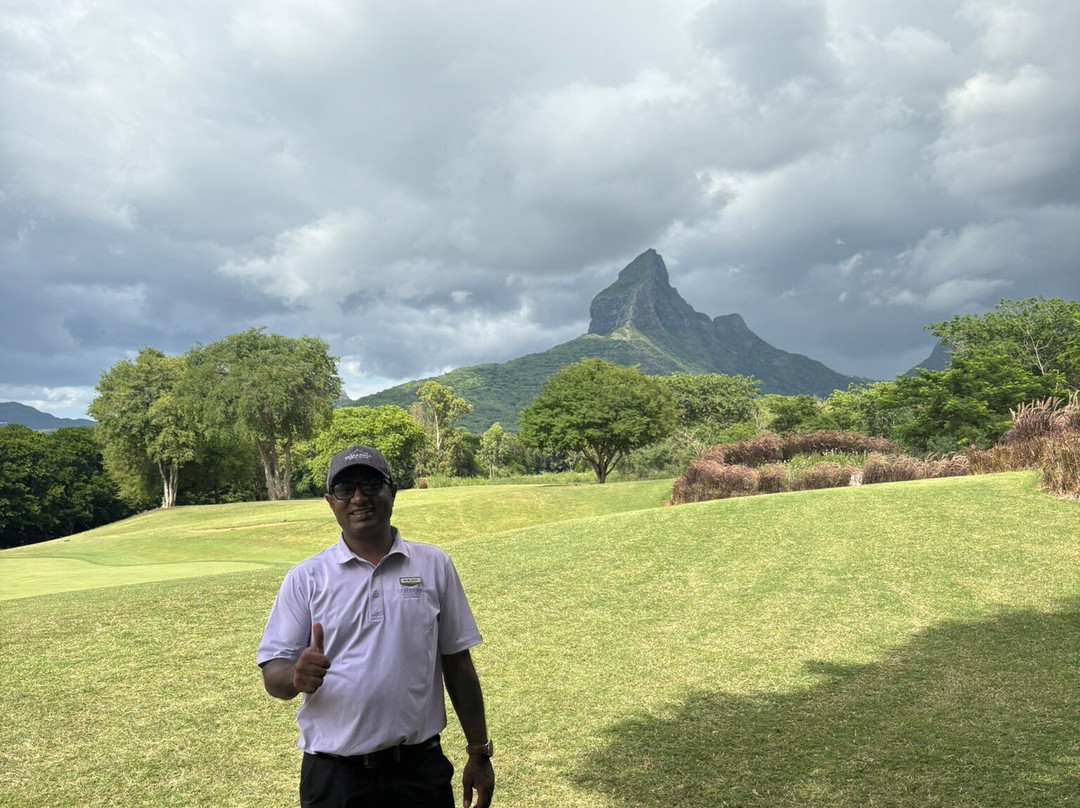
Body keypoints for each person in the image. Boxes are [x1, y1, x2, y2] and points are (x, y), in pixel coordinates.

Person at [257, 445, 495, 808]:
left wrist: (479, 750)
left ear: (392, 491)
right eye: (344, 489)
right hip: (335, 778)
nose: (358, 498)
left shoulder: (433, 565)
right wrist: (294, 676)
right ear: (329, 501)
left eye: (371, 485)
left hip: (420, 771)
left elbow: (458, 664)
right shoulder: (306, 578)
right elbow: (273, 672)